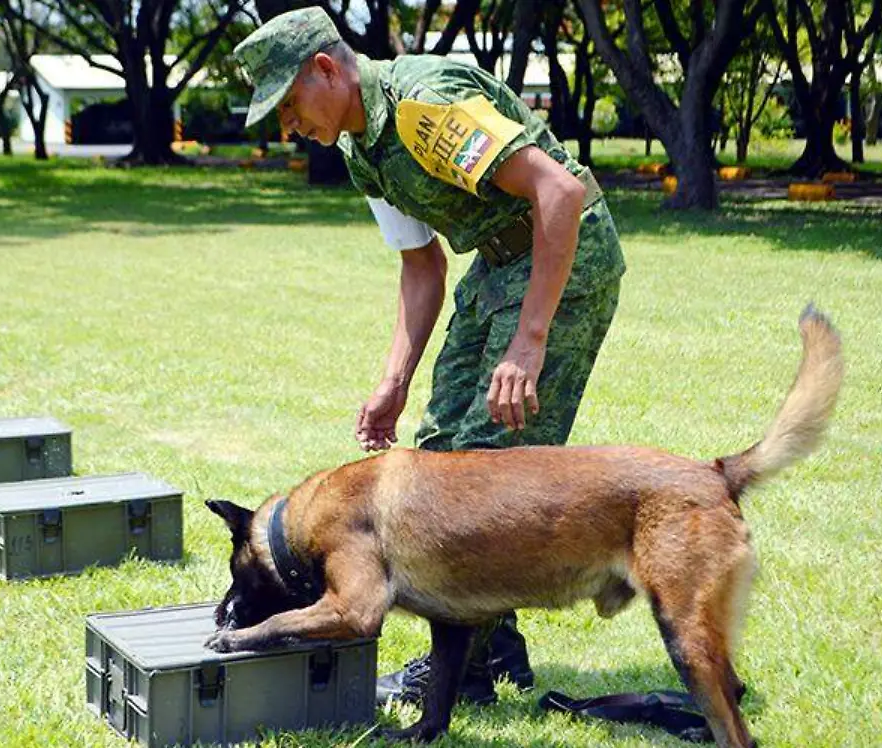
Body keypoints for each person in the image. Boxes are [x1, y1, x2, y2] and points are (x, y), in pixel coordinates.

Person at [232, 7, 626, 707]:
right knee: (438, 453)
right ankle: (492, 648)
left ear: (326, 68)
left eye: (289, 104)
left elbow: (558, 192)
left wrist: (530, 340)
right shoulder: (361, 148)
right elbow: (421, 266)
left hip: (562, 256)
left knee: (483, 468)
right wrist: (393, 382)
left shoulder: (423, 103)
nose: (289, 127)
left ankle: (467, 669)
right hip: (495, 266)